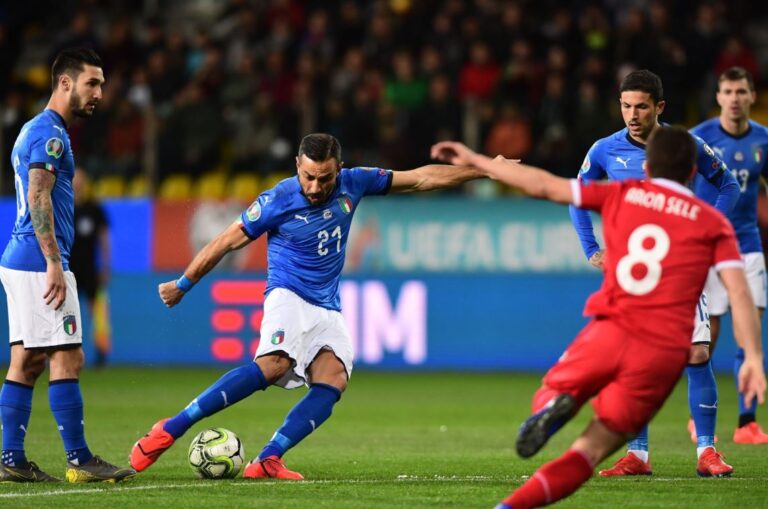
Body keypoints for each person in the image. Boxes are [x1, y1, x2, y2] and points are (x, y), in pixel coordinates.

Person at [430, 127, 766, 509]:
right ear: (692, 172)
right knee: (589, 450)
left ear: (647, 168)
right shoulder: (711, 223)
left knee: (553, 391)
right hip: (661, 350)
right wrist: (753, 357)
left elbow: (544, 185)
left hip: (612, 328)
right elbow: (739, 292)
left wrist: (479, 162)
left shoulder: (623, 193)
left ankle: (558, 402)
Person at [129, 133, 485, 478]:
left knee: (333, 378)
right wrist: (183, 283)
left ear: (339, 169)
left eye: (325, 178)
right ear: (297, 165)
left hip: (327, 305)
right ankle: (171, 428)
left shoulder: (355, 182)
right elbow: (225, 241)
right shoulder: (277, 200)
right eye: (308, 177)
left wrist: (484, 169)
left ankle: (268, 458)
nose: (315, 187)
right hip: (287, 294)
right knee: (274, 365)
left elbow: (422, 178)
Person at [568, 70, 740, 477]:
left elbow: (728, 185)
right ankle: (638, 455)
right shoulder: (605, 149)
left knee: (697, 353)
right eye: (626, 106)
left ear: (659, 107)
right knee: (635, 362)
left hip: (681, 268)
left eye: (641, 106)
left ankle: (707, 451)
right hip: (634, 275)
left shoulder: (683, 145)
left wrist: (706, 229)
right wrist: (592, 249)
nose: (632, 114)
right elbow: (577, 196)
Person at [0, 48, 135, 482]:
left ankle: (11, 460)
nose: (99, 93)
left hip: (21, 259)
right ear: (64, 82)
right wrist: (54, 262)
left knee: (26, 361)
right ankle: (80, 459)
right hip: (39, 261)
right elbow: (39, 195)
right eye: (92, 83)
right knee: (69, 356)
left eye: (101, 84)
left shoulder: (38, 129)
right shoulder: (49, 134)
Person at [691, 66, 768, 444]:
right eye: (728, 92)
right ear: (718, 97)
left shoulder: (764, 140)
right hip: (706, 246)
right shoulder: (698, 138)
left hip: (747, 245)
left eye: (741, 92)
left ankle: (746, 422)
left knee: (749, 333)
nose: (735, 99)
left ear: (752, 96)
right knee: (707, 335)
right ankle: (699, 417)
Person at [70, 167, 111, 367]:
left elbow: (104, 238)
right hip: (68, 270)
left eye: (81, 181)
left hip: (90, 270)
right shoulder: (64, 207)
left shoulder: (94, 209)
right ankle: (66, 350)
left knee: (98, 311)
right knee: (67, 312)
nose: (77, 184)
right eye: (74, 180)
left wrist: (106, 265)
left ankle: (101, 352)